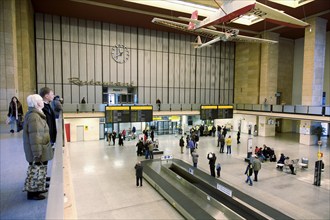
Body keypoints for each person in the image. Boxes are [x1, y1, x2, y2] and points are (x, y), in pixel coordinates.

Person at [23, 94, 54, 200]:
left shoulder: (36, 114)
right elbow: (35, 136)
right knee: (36, 170)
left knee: (40, 170)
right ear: (37, 103)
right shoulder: (34, 117)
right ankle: (33, 194)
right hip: (38, 150)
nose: (42, 101)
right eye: (41, 100)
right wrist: (37, 153)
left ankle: (39, 188)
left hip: (42, 148)